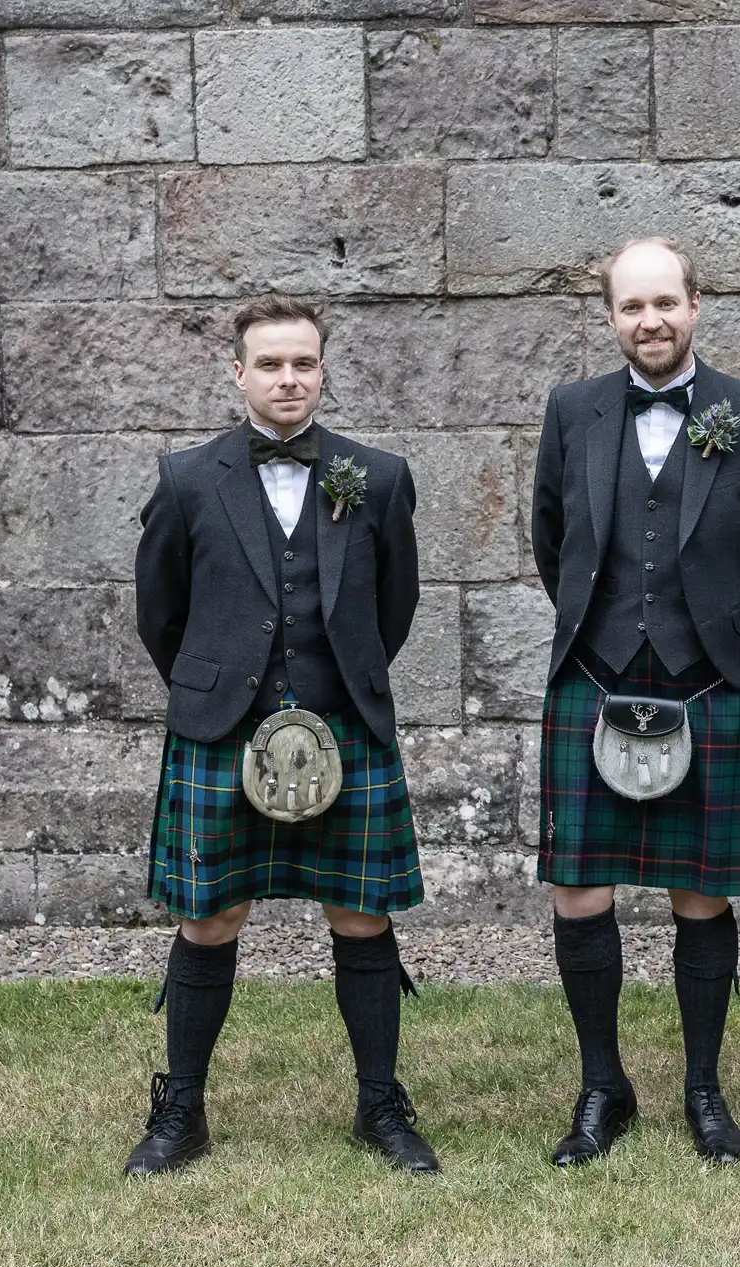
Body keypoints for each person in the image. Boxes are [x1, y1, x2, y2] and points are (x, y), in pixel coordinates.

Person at [129, 294, 436, 1176]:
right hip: (223, 728)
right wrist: (222, 689)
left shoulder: (375, 475)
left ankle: (379, 1105)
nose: (288, 378)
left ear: (324, 369)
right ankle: (181, 1111)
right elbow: (163, 614)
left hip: (345, 722)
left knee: (363, 914)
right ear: (239, 373)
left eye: (303, 362)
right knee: (209, 916)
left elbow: (395, 606)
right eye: (270, 364)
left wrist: (339, 680)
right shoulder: (188, 478)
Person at [530, 237, 740, 1166]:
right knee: (578, 889)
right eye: (630, 307)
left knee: (701, 889)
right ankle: (602, 1085)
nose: (649, 321)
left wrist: (720, 643)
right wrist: (603, 634)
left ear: (697, 305)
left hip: (707, 680)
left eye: (665, 304)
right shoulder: (573, 411)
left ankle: (703, 1087)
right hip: (593, 675)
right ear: (611, 316)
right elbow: (551, 540)